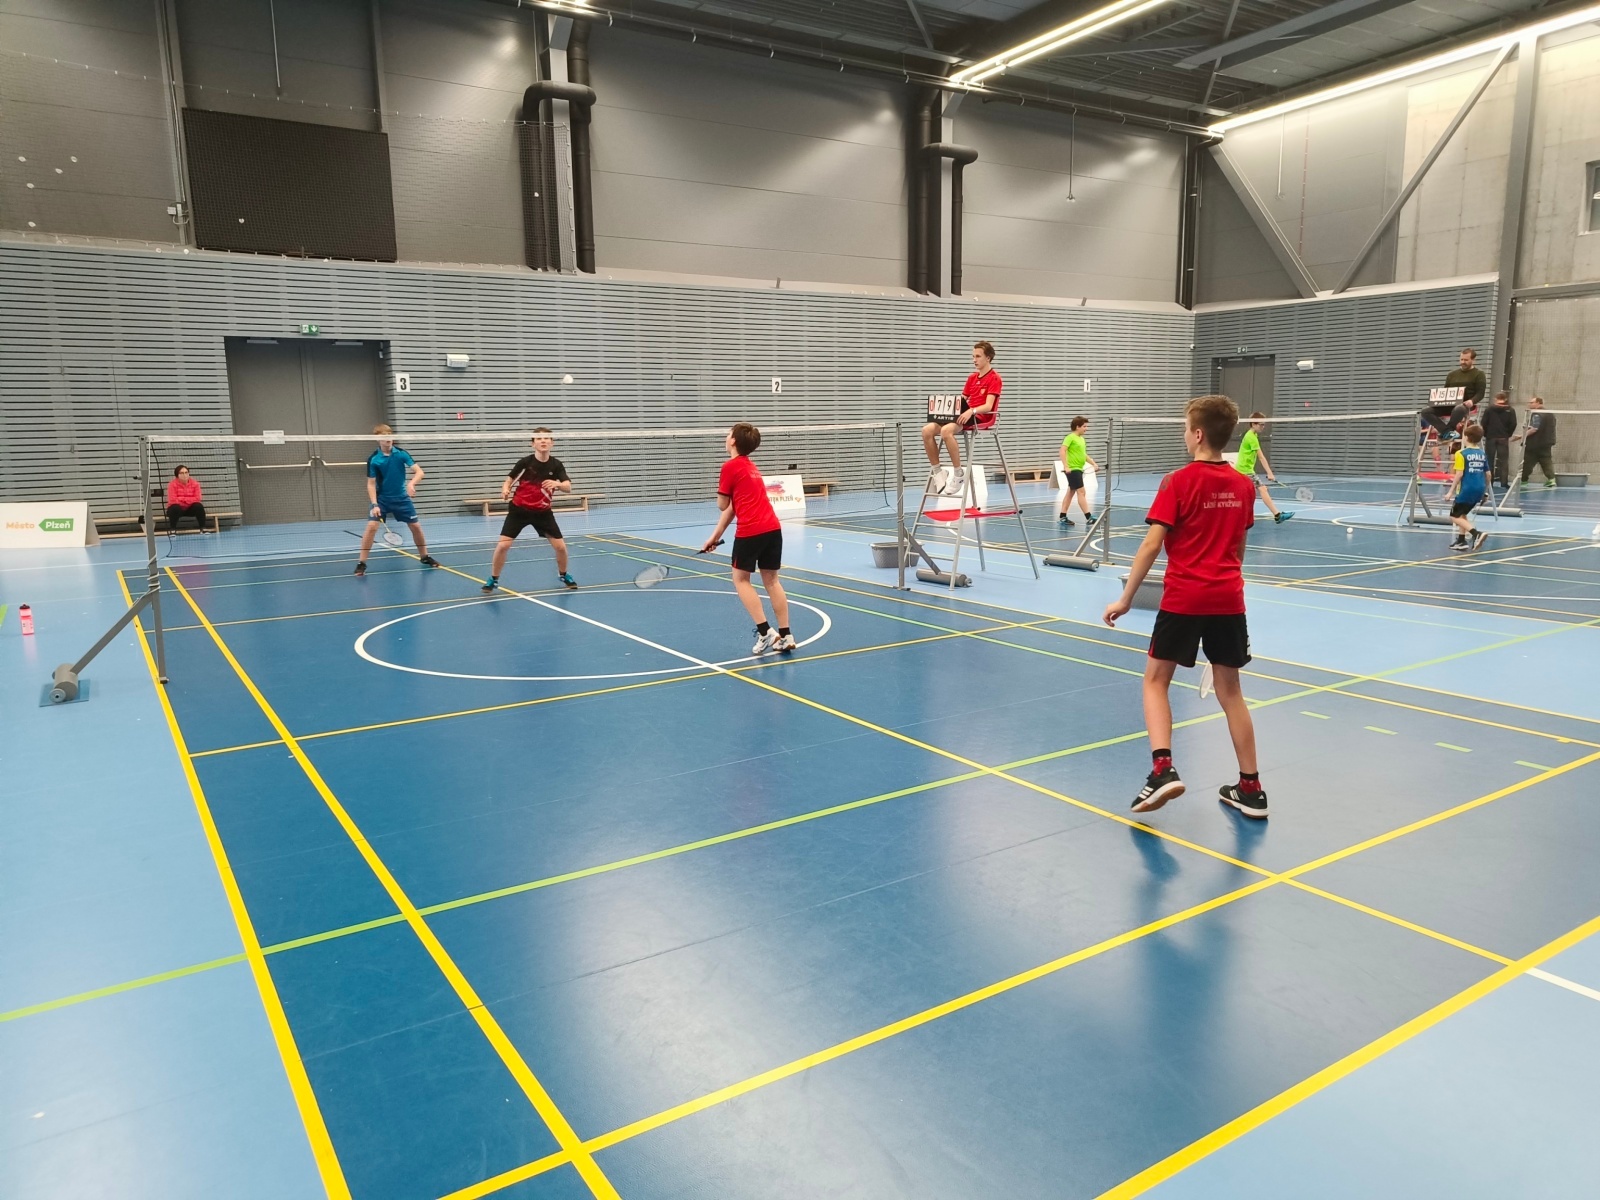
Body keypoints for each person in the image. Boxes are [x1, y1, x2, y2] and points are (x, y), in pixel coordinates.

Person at [1104, 395, 1266, 819]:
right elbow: (1239, 546)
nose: (1183, 435)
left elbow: (1151, 545)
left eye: (1184, 428)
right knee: (1232, 693)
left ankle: (1162, 770)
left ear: (1197, 434)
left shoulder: (1176, 481)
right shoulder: (1243, 485)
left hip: (1184, 598)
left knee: (1155, 681)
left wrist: (1125, 598)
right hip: (1228, 598)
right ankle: (1251, 788)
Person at [702, 422, 795, 655]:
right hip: (772, 529)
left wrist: (721, 494)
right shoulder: (751, 467)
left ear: (733, 441)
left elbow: (723, 504)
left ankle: (765, 632)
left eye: (728, 434)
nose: (726, 437)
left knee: (741, 580)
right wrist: (714, 537)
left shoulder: (730, 467)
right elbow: (733, 508)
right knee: (772, 581)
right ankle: (786, 636)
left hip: (751, 531)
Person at [481, 427, 577, 593]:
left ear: (552, 443)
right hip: (519, 511)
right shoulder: (525, 463)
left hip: (543, 513)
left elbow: (568, 487)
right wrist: (505, 489)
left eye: (546, 438)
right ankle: (493, 579)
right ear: (533, 444)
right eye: (539, 438)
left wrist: (557, 484)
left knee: (561, 547)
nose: (543, 441)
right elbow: (509, 479)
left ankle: (563, 575)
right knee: (503, 546)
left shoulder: (556, 464)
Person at [356, 423, 439, 575]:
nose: (388, 439)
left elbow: (420, 472)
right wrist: (374, 504)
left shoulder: (401, 454)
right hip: (382, 499)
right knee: (371, 527)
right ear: (377, 439)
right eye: (384, 436)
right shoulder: (374, 459)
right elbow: (371, 484)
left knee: (416, 527)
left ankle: (425, 557)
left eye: (390, 435)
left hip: (401, 498)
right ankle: (361, 563)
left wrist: (411, 484)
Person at [922, 340, 1000, 499]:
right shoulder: (971, 378)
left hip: (981, 417)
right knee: (927, 430)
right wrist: (946, 409)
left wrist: (971, 411)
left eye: (978, 356)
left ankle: (958, 474)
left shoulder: (995, 378)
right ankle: (938, 471)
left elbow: (988, 406)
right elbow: (962, 399)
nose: (974, 360)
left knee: (946, 431)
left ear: (988, 358)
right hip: (966, 414)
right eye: (973, 356)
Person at [1237, 412, 1292, 524]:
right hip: (1245, 470)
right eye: (1261, 424)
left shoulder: (1253, 435)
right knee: (1262, 489)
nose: (1263, 427)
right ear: (1253, 424)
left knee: (1247, 493)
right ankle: (1277, 515)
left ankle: (1241, 515)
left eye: (1264, 424)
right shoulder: (1251, 437)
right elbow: (1261, 457)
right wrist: (1270, 473)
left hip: (1244, 469)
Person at [1449, 424, 1490, 553]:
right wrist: (1485, 492)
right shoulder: (1482, 454)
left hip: (1466, 489)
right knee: (1463, 514)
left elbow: (1459, 474)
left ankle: (1476, 534)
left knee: (1454, 516)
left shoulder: (1461, 454)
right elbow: (1488, 474)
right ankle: (1461, 541)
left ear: (1466, 437)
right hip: (1479, 488)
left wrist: (1450, 492)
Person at [1057, 415, 1099, 528]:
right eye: (1084, 426)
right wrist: (1066, 466)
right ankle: (1089, 517)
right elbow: (1062, 451)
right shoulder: (1070, 437)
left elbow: (1083, 455)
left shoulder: (1081, 439)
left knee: (1070, 492)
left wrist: (1093, 464)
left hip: (1079, 469)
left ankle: (1063, 516)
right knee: (1081, 492)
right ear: (1077, 427)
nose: (1086, 429)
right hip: (1073, 469)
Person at [1518, 396, 1558, 488]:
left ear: (1538, 403)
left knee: (1527, 463)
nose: (1530, 404)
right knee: (1546, 462)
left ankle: (1524, 481)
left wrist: (1522, 437)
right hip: (1546, 443)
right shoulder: (1550, 414)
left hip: (1534, 444)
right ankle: (1551, 479)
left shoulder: (1536, 414)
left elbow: (1534, 429)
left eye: (1532, 402)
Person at [1480, 392, 1518, 487]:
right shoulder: (1510, 410)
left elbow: (1483, 423)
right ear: (1505, 399)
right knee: (1504, 461)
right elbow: (1513, 424)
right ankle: (1504, 482)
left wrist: (1486, 434)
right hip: (1503, 438)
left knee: (1489, 460)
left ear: (1495, 399)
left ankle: (1489, 482)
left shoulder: (1489, 409)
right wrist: (1508, 434)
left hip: (1491, 438)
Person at [165, 465, 207, 532]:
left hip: (190, 509)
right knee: (175, 507)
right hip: (177, 510)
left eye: (186, 472)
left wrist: (182, 499)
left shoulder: (195, 484)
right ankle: (172, 530)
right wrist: (188, 500)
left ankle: (203, 528)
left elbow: (198, 498)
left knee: (199, 506)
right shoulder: (172, 484)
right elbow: (172, 500)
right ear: (177, 475)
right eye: (181, 473)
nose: (184, 475)